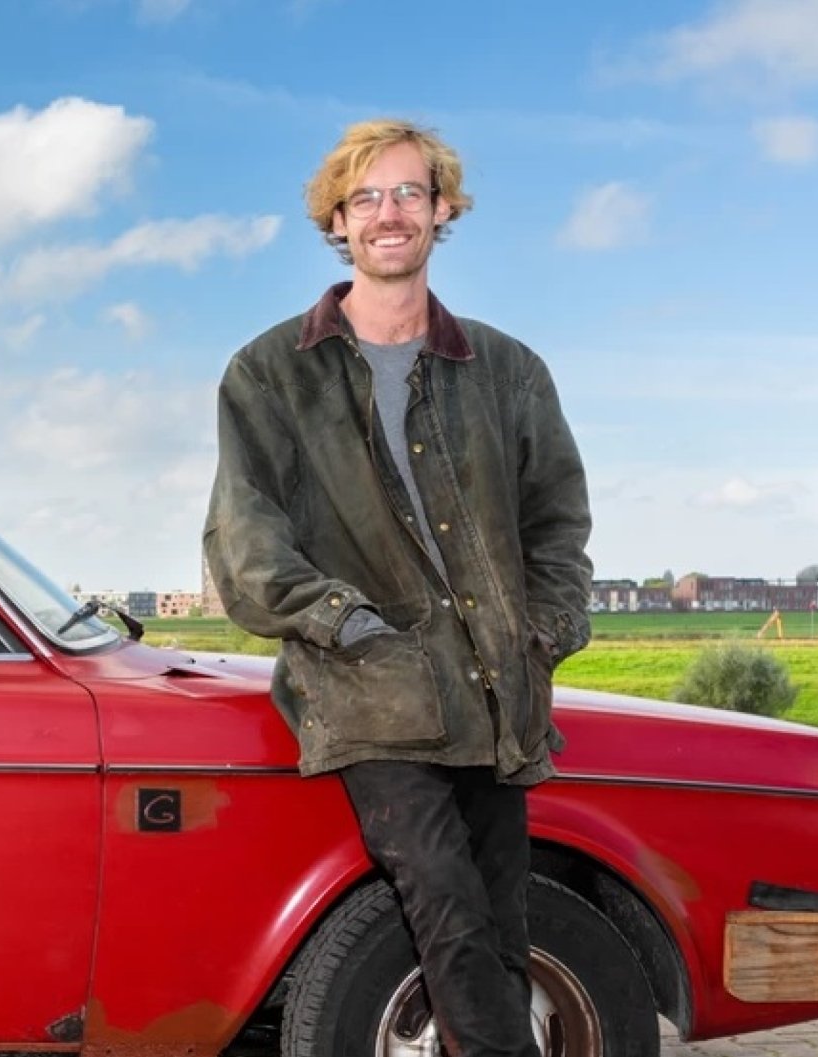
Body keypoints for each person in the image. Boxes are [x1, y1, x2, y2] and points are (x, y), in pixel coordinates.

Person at [204, 119, 593, 1057]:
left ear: (442, 210)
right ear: (337, 222)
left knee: (502, 924)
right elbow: (244, 543)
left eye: (410, 194)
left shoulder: (506, 369)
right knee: (448, 906)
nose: (390, 213)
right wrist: (349, 625)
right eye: (368, 198)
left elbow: (558, 521)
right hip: (371, 691)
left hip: (500, 688)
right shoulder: (270, 373)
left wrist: (545, 630)